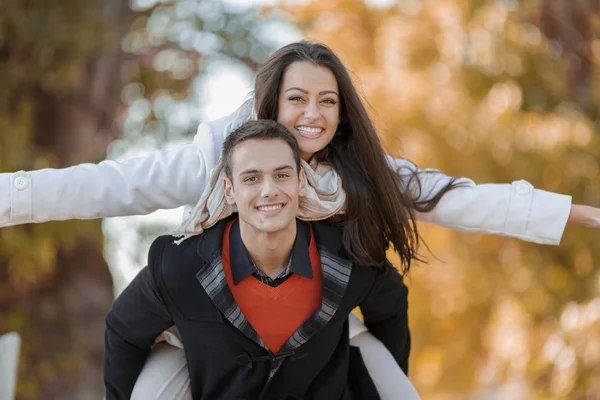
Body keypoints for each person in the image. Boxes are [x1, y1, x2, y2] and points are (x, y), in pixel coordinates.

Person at [2, 41, 598, 397]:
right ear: (270, 102)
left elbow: (459, 199)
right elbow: (109, 186)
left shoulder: (358, 174)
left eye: (328, 100)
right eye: (297, 99)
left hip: (319, 318)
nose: (312, 114)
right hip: (202, 326)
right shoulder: (220, 163)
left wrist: (579, 214)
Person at [104, 119, 410, 400]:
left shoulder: (349, 256)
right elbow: (122, 331)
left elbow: (391, 310)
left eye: (282, 175)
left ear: (301, 182)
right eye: (251, 178)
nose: (269, 191)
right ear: (229, 190)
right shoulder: (179, 266)